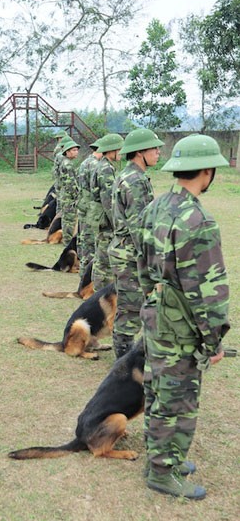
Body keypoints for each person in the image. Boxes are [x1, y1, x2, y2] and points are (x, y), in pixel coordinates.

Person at [137, 134, 230, 500]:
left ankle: (162, 458)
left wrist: (154, 298)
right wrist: (214, 340)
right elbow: (208, 293)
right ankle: (163, 471)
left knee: (159, 390)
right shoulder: (198, 220)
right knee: (179, 399)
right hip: (181, 327)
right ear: (207, 171)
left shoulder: (156, 207)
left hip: (157, 316)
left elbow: (142, 265)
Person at [108, 129, 164, 358]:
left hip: (125, 250)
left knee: (129, 306)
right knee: (130, 310)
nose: (158, 152)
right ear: (140, 152)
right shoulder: (135, 180)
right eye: (154, 148)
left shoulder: (130, 175)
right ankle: (122, 361)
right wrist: (154, 262)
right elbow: (138, 228)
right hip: (130, 254)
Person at [89, 133, 124, 290]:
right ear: (112, 150)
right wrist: (117, 225)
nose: (122, 153)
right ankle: (99, 293)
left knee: (101, 258)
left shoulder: (104, 165)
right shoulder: (106, 169)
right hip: (105, 220)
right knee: (103, 260)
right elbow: (108, 201)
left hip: (100, 218)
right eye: (120, 149)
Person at [76, 139, 102, 278]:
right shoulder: (95, 165)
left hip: (84, 206)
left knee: (84, 241)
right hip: (90, 208)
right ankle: (86, 278)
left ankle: (83, 274)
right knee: (90, 244)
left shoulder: (85, 162)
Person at [57, 138, 81, 246]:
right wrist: (77, 196)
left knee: (67, 219)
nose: (77, 152)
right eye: (74, 150)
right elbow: (71, 184)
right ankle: (68, 242)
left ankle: (67, 241)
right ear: (67, 152)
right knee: (69, 220)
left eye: (77, 150)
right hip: (69, 197)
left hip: (65, 195)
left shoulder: (66, 162)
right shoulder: (68, 165)